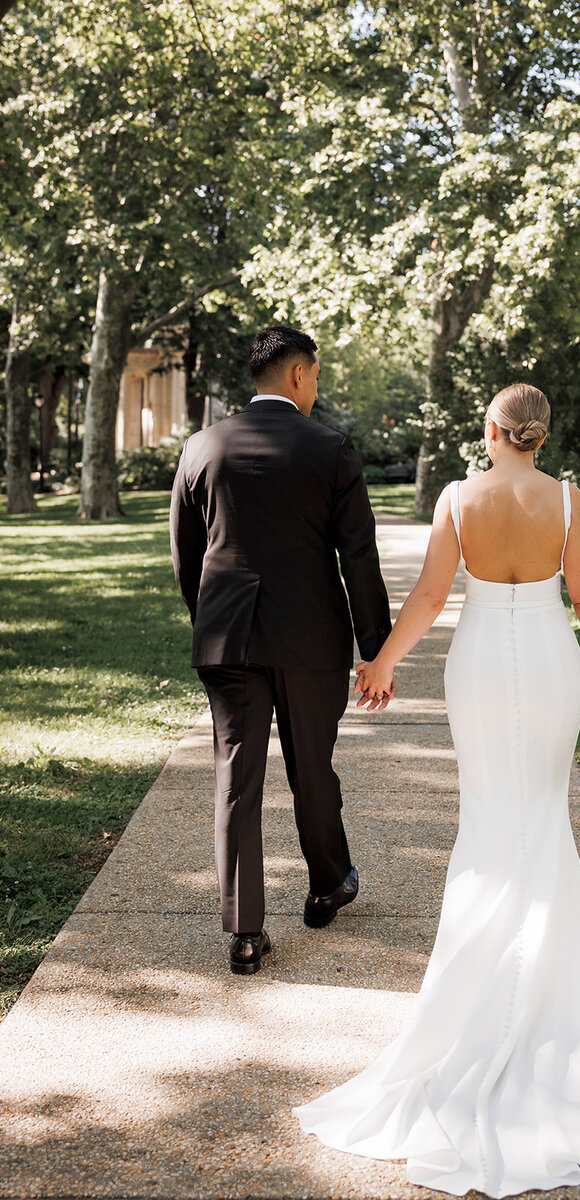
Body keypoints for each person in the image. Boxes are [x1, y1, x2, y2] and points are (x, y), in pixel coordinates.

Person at [293, 383, 580, 1196]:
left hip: (483, 666)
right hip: (555, 666)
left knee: (491, 818)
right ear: (540, 434)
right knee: (539, 817)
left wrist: (382, 663)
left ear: (491, 431)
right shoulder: (567, 499)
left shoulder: (460, 497)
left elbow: (429, 596)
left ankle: (481, 988)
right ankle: (547, 991)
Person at [169, 325, 393, 977]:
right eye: (317, 377)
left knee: (236, 778)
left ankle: (244, 932)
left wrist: (209, 621)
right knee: (311, 765)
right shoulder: (330, 448)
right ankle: (328, 884)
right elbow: (359, 556)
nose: (317, 389)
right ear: (298, 375)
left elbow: (187, 555)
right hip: (309, 638)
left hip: (227, 635)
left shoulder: (201, 448)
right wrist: (374, 650)